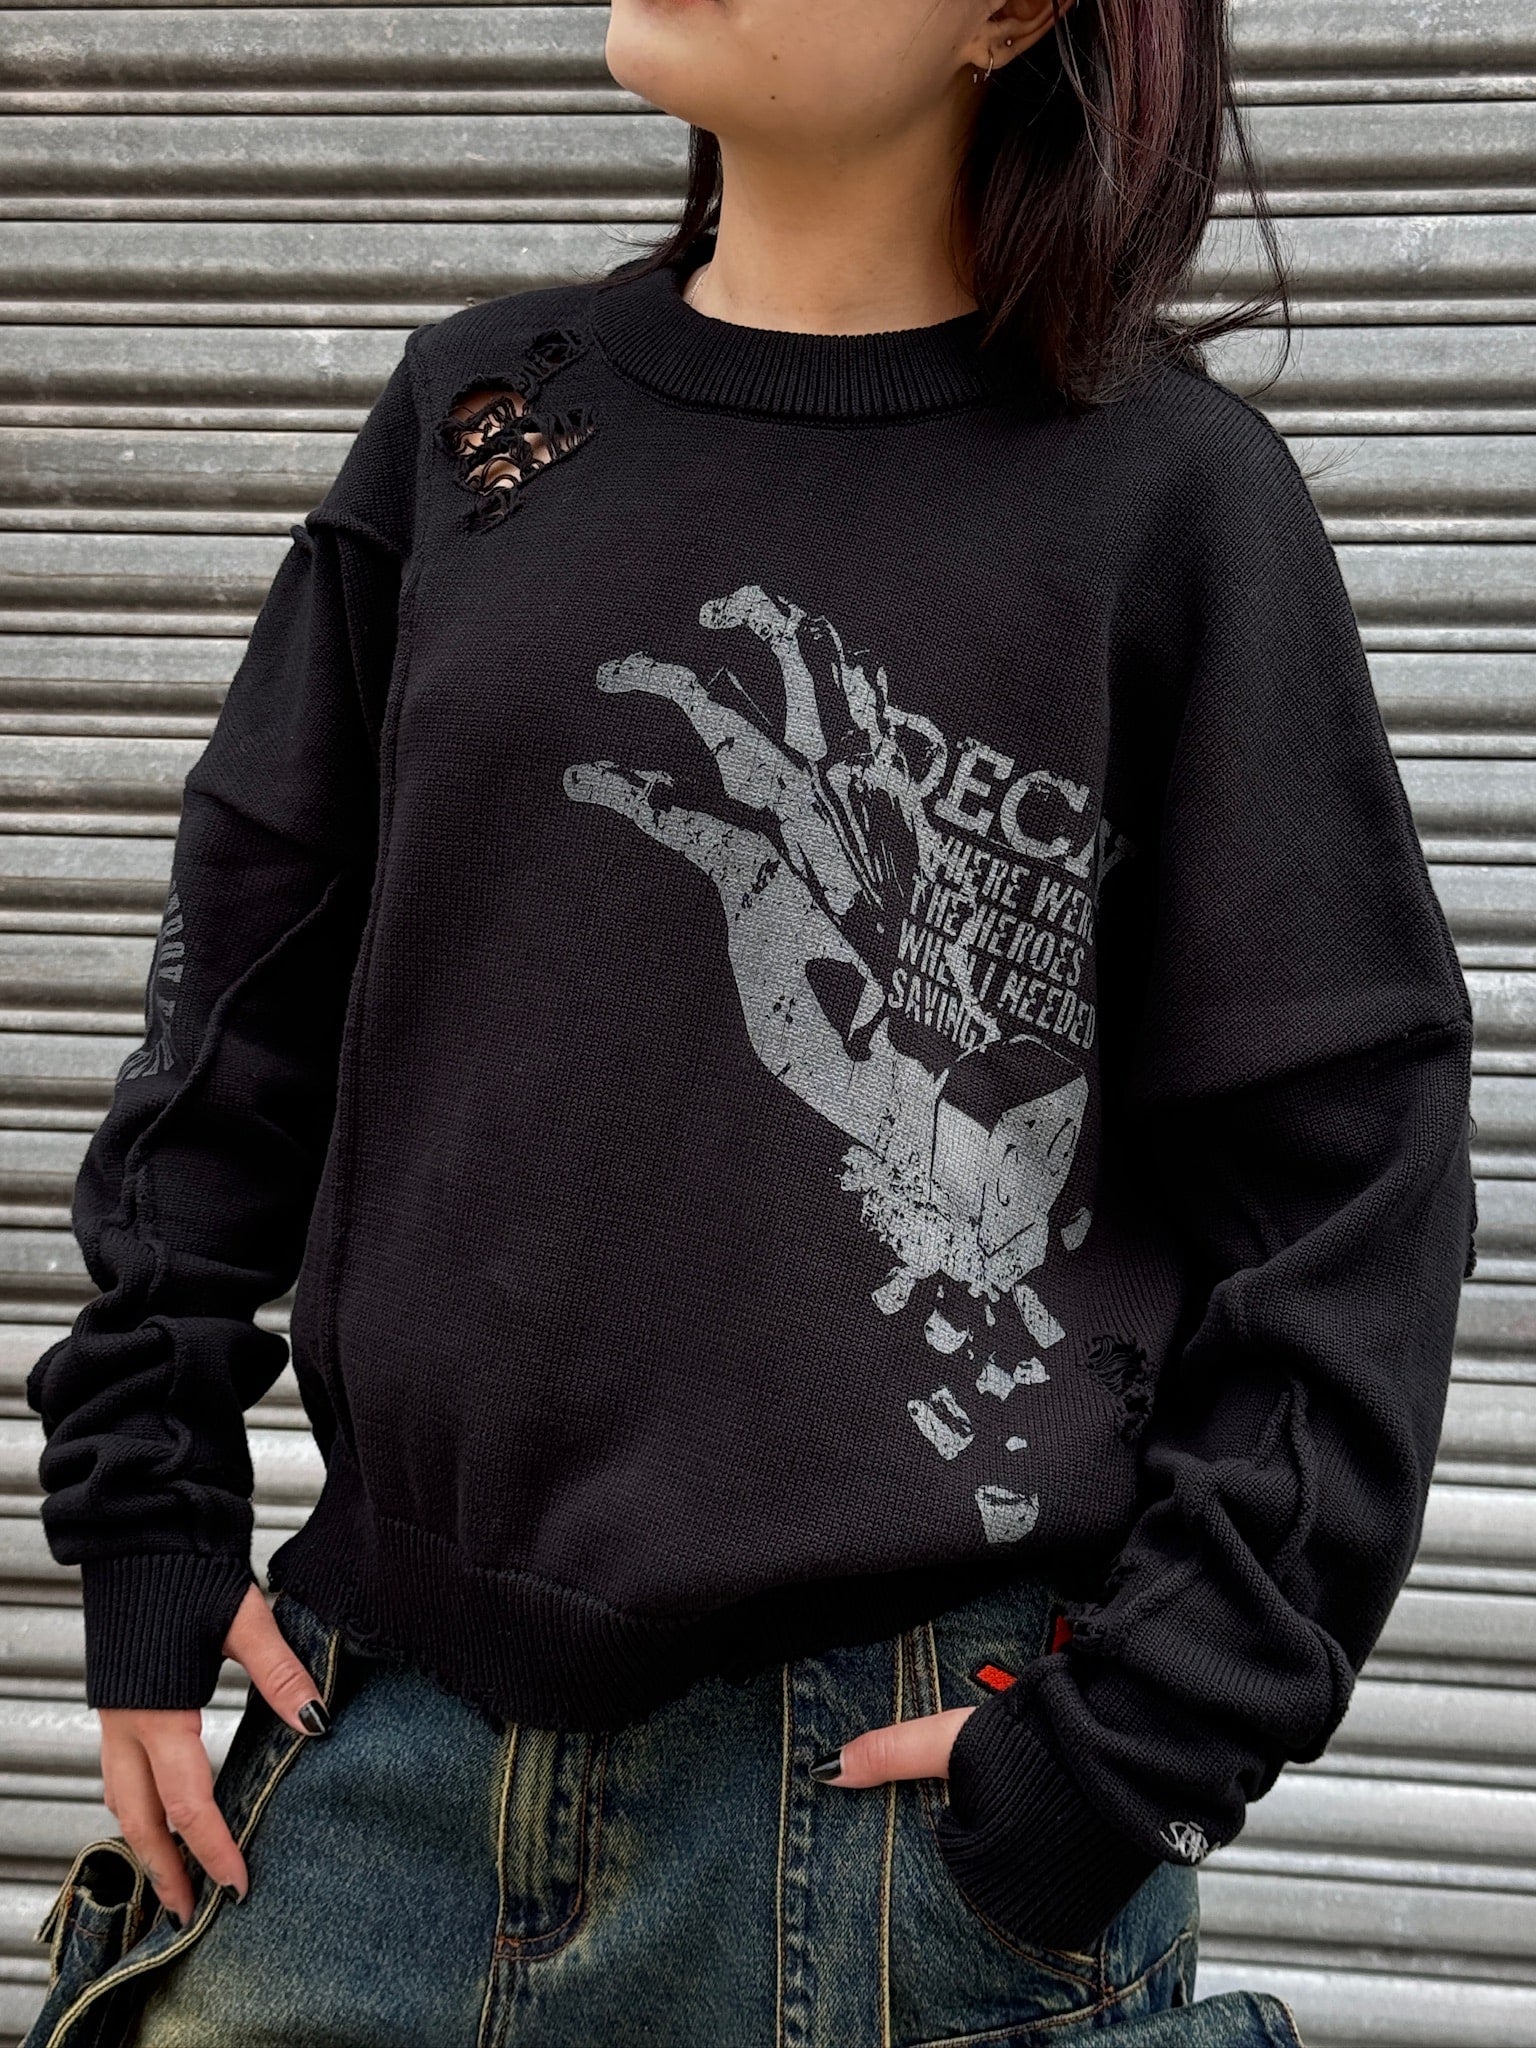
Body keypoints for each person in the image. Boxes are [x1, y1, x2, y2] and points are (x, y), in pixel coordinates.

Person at [24, 0, 1476, 2043]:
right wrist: (148, 1517)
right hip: (364, 1782)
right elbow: (238, 993)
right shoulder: (478, 422)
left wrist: (1133, 1748)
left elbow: (1354, 1173)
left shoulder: (1170, 502)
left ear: (1013, 16)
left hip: (888, 1851)